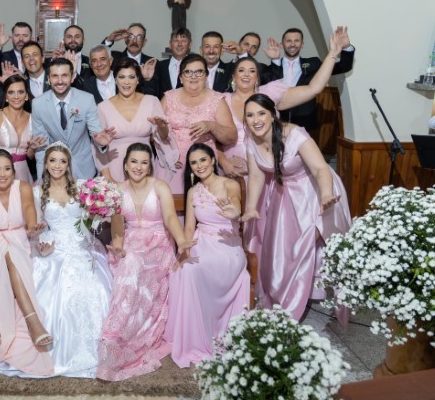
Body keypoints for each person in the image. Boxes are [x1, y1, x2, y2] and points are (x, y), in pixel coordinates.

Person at [241, 94, 351, 321]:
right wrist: (251, 207)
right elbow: (256, 176)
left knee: (304, 245)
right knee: (282, 249)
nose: (256, 120)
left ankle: (291, 307)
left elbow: (320, 169)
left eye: (261, 113)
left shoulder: (295, 134)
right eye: (250, 115)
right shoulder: (251, 140)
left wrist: (326, 193)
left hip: (315, 190)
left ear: (273, 115)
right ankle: (284, 296)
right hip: (283, 193)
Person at [97, 143, 191, 381]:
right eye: (134, 162)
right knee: (128, 261)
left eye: (144, 162)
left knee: (134, 263)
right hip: (131, 241)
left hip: (158, 243)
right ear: (125, 165)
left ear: (149, 166)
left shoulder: (160, 186)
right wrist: (118, 244)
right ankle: (117, 336)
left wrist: (181, 241)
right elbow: (118, 224)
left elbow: (170, 217)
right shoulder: (118, 190)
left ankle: (122, 335)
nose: (138, 167)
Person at [31, 142, 114, 378]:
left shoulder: (82, 187)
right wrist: (41, 244)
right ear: (46, 164)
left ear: (68, 164)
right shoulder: (37, 192)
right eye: (52, 160)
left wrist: (99, 214)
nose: (57, 165)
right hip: (54, 248)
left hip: (83, 245)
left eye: (62, 161)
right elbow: (37, 226)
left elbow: (101, 209)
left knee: (94, 288)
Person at [164, 144, 250, 368]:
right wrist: (184, 251)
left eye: (203, 160)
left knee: (198, 270)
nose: (199, 165)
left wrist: (235, 212)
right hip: (200, 242)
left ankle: (212, 331)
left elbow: (235, 205)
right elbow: (189, 227)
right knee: (183, 269)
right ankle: (192, 337)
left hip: (226, 246)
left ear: (213, 160)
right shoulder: (193, 191)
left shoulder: (230, 184)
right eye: (194, 163)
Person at [219, 28, 347, 179]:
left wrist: (333, 54)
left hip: (266, 170)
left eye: (252, 71)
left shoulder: (269, 94)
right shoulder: (221, 100)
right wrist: (224, 162)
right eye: (241, 70)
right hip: (229, 170)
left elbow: (313, 89)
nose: (246, 74)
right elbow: (211, 139)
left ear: (257, 77)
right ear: (234, 75)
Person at [0, 150, 55, 377]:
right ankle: (33, 322)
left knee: (12, 251)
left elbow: (29, 209)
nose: (2, 174)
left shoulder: (23, 187)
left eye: (7, 169)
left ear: (13, 170)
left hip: (22, 239)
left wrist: (32, 226)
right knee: (6, 251)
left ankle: (30, 321)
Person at [158, 54, 237, 194]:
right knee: (170, 204)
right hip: (172, 165)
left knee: (202, 204)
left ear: (206, 76)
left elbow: (231, 137)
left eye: (199, 71)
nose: (193, 76)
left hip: (203, 168)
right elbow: (154, 134)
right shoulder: (168, 98)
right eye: (188, 72)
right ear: (181, 77)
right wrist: (167, 155)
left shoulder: (217, 100)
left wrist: (212, 126)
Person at [31, 58, 116, 180]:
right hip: (55, 170)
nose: (60, 81)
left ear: (72, 77)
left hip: (84, 168)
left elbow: (96, 133)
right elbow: (41, 145)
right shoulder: (38, 104)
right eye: (55, 76)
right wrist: (42, 178)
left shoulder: (86, 99)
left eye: (64, 75)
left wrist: (101, 143)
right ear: (48, 79)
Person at [94, 58, 177, 183]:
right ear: (115, 80)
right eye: (121, 77)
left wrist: (163, 128)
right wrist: (107, 177)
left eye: (131, 77)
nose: (126, 82)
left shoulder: (152, 101)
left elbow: (163, 137)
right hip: (114, 167)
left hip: (143, 166)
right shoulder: (103, 107)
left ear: (138, 80)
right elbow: (97, 145)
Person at [265, 27, 355, 132]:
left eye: (296, 41)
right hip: (275, 123)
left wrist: (346, 47)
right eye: (289, 41)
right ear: (281, 45)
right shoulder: (272, 67)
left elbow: (343, 67)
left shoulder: (314, 63)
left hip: (305, 123)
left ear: (302, 44)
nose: (293, 44)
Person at [0, 76, 44, 184]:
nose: (16, 96)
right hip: (0, 172)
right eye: (11, 92)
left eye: (20, 92)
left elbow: (30, 155)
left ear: (26, 95)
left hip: (23, 173)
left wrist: (32, 148)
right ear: (6, 96)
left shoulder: (33, 118)